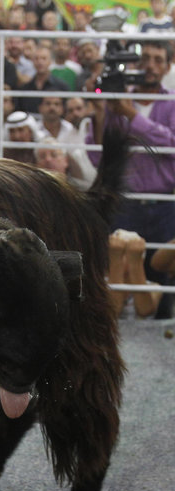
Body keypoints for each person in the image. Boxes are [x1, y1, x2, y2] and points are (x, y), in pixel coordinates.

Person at [86, 40, 175, 318]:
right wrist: (101, 113)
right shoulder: (116, 99)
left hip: (163, 204)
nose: (150, 65)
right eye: (145, 58)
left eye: (158, 59)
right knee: (119, 277)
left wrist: (131, 115)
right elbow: (99, 157)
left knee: (160, 278)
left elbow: (172, 143)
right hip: (124, 203)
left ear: (168, 66)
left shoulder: (171, 102)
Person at [107, 229, 162, 319]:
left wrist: (135, 262)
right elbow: (111, 312)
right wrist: (116, 260)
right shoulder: (98, 285)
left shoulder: (154, 287)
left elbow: (144, 311)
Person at [17, 45, 69, 114]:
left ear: (50, 61)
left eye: (44, 58)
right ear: (32, 61)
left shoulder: (62, 86)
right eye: (36, 58)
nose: (40, 62)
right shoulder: (25, 87)